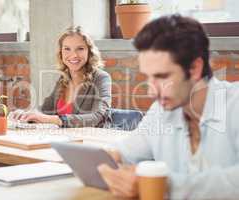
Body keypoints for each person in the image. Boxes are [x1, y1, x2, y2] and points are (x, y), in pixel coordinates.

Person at [98, 14, 239, 199]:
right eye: (148, 77)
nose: (151, 92)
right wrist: (101, 165)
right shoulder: (162, 109)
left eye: (162, 77)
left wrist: (165, 187)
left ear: (195, 68)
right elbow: (124, 153)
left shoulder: (234, 105)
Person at [10, 26, 111, 127]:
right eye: (67, 49)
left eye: (80, 49)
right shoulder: (64, 79)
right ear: (61, 53)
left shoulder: (101, 78)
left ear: (89, 52)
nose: (74, 55)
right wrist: (26, 114)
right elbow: (45, 110)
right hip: (66, 139)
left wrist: (57, 120)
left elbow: (98, 117)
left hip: (94, 140)